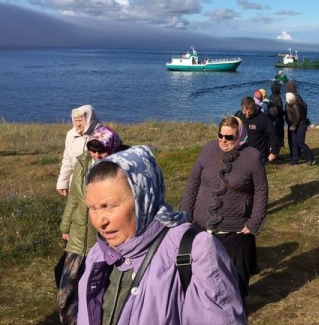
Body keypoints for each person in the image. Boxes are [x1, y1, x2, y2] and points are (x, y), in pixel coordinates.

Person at [77, 146, 246, 325]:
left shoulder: (196, 252)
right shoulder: (98, 254)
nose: (99, 222)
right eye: (93, 208)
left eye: (108, 206)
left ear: (143, 199)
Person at [179, 116, 268, 302]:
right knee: (202, 278)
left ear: (240, 136)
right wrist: (185, 213)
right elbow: (193, 181)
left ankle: (236, 316)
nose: (223, 141)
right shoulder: (208, 149)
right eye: (220, 135)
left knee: (235, 281)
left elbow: (261, 191)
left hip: (235, 232)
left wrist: (254, 222)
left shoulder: (253, 157)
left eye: (229, 137)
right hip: (201, 227)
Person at [58, 126, 125, 325]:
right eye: (92, 151)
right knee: (66, 291)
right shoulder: (82, 163)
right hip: (78, 235)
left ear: (112, 148)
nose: (96, 155)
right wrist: (65, 226)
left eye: (101, 151)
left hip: (105, 239)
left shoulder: (119, 170)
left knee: (97, 291)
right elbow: (74, 199)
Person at [56, 105, 102, 197]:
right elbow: (67, 160)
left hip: (95, 182)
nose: (78, 124)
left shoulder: (101, 134)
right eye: (76, 121)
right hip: (75, 182)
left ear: (89, 118)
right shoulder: (70, 135)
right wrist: (63, 183)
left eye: (81, 120)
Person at [235, 97, 278, 163]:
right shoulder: (238, 115)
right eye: (244, 112)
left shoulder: (263, 118)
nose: (247, 114)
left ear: (254, 108)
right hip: (242, 154)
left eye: (250, 112)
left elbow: (273, 135)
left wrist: (273, 152)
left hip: (259, 155)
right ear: (241, 108)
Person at [285, 92, 315, 165]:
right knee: (294, 143)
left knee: (300, 142)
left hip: (301, 125)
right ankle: (295, 159)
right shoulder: (287, 105)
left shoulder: (296, 105)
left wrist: (294, 125)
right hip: (294, 125)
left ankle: (311, 157)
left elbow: (298, 117)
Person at [284, 80, 310, 161]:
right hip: (297, 121)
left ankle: (294, 156)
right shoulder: (298, 96)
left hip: (295, 122)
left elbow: (298, 112)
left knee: (294, 140)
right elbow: (305, 106)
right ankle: (296, 156)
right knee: (296, 140)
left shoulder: (293, 98)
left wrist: (295, 121)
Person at [269, 82, 286, 152]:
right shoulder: (278, 98)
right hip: (278, 121)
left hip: (271, 120)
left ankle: (273, 151)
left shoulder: (270, 97)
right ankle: (276, 153)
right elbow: (280, 111)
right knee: (279, 136)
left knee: (273, 137)